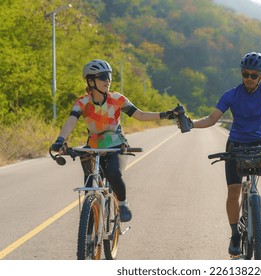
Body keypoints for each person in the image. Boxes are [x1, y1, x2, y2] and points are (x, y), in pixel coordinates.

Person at [185, 52, 261, 256]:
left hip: (257, 143)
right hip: (235, 145)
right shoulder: (231, 95)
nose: (249, 78)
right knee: (234, 192)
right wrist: (191, 124)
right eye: (246, 73)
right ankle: (235, 234)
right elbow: (212, 119)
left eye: (254, 75)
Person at [50, 59, 176, 222]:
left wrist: (167, 114)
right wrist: (60, 141)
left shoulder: (117, 99)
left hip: (117, 145)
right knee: (90, 187)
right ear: (90, 81)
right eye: (102, 77)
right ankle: (89, 233)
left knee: (112, 173)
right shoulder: (82, 103)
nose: (107, 80)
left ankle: (123, 204)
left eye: (108, 76)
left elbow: (141, 115)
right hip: (94, 146)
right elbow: (71, 121)